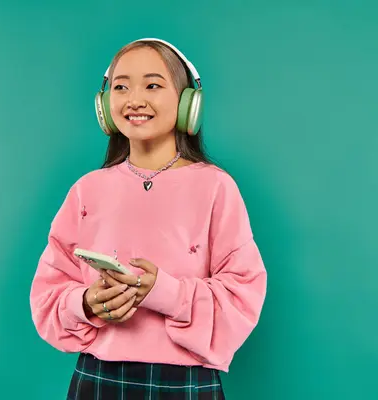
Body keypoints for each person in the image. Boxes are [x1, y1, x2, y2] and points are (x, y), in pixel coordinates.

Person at [29, 37, 267, 399]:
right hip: (99, 378)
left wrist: (165, 293)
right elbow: (48, 292)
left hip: (187, 380)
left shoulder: (217, 187)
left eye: (153, 85)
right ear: (105, 105)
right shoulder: (86, 189)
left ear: (189, 102)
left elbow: (244, 293)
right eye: (121, 87)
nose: (134, 99)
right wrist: (88, 302)